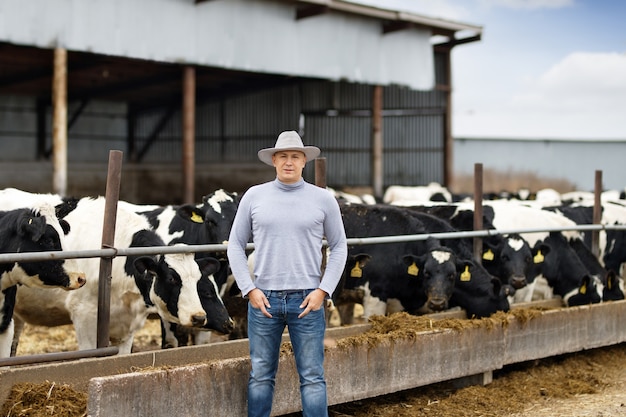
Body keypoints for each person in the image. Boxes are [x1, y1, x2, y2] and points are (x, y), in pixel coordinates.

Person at [227, 130, 348, 417]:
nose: (289, 162)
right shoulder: (254, 196)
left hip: (308, 300)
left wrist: (323, 290)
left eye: (295, 156)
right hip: (263, 301)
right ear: (273, 161)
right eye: (283, 156)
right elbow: (235, 244)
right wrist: (249, 289)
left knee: (313, 378)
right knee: (260, 375)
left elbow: (340, 246)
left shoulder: (323, 199)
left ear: (304, 160)